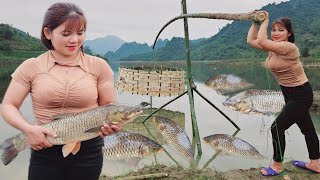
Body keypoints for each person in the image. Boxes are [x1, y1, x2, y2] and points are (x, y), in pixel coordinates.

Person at [0, 2, 121, 180]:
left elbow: (108, 105)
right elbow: (8, 105)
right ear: (48, 33)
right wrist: (29, 130)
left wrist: (111, 125)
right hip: (44, 147)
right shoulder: (31, 66)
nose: (74, 40)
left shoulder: (99, 66)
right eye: (66, 34)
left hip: (88, 149)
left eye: (80, 33)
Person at [247, 11, 320, 176]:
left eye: (280, 30)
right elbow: (252, 40)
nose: (276, 33)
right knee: (308, 130)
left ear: (289, 33)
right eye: (274, 30)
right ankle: (315, 164)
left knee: (276, 128)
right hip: (290, 94)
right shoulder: (273, 48)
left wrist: (265, 19)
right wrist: (255, 22)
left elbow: (261, 40)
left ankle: (277, 165)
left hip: (301, 94)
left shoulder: (289, 47)